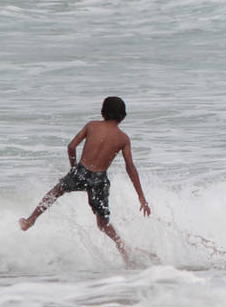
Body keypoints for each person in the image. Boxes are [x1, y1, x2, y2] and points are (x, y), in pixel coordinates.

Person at [20, 97, 150, 264]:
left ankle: (29, 221)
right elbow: (130, 167)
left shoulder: (92, 126)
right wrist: (141, 197)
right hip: (99, 180)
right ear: (123, 116)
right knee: (102, 223)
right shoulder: (123, 138)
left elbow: (71, 146)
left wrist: (73, 168)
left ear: (103, 112)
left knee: (54, 194)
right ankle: (121, 246)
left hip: (80, 172)